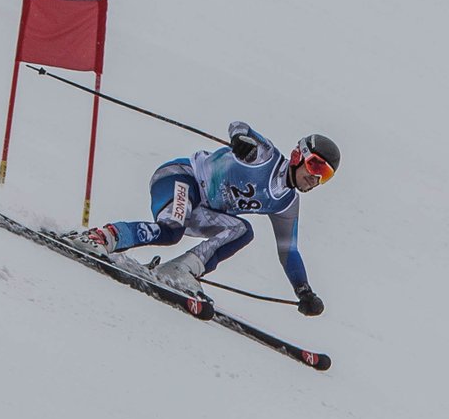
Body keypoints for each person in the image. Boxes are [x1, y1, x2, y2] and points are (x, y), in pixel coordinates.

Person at [68, 122, 338, 316]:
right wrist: (240, 143)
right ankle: (100, 238)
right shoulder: (265, 157)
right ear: (297, 156)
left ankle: (180, 271)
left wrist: (303, 291)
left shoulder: (287, 203)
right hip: (182, 178)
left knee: (242, 231)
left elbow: (288, 250)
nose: (315, 178)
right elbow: (239, 127)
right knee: (171, 230)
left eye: (324, 175)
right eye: (315, 165)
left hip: (202, 210)